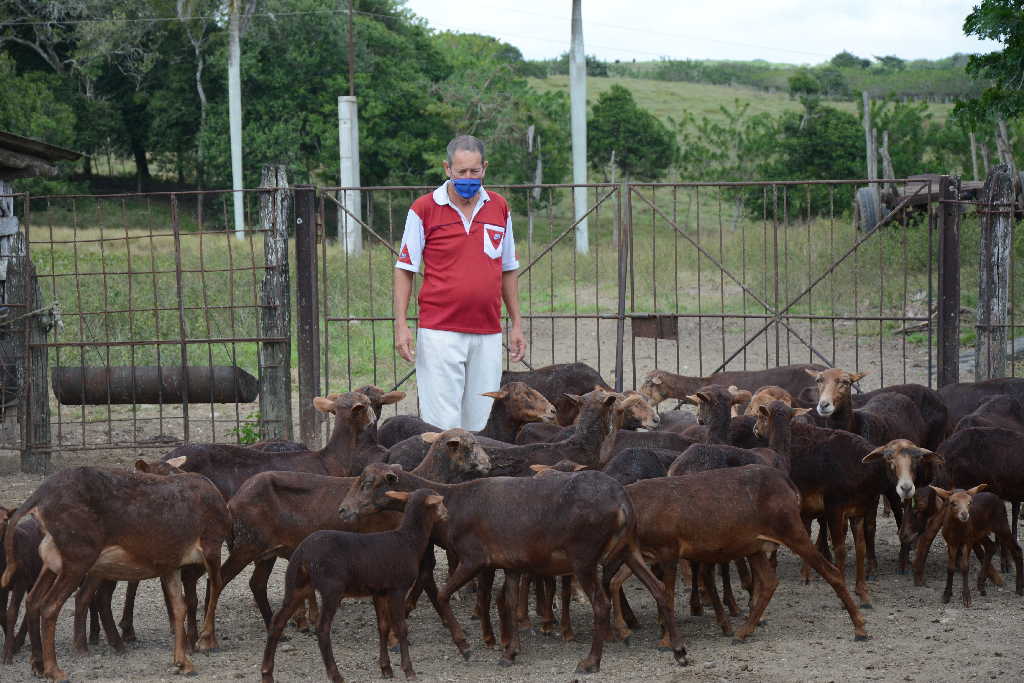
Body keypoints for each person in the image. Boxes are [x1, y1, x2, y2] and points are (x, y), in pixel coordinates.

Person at [393, 135, 526, 431]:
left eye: (474, 171)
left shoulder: (500, 208)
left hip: (488, 333)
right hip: (440, 333)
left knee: (480, 423)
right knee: (442, 426)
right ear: (447, 169)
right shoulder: (424, 209)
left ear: (485, 168)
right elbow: (405, 268)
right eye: (461, 171)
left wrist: (516, 322)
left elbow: (508, 268)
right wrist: (401, 324)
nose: (468, 178)